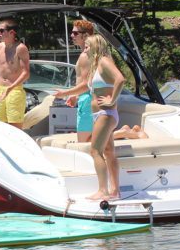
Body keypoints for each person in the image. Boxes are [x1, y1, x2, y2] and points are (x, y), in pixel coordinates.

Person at [84, 34, 126, 201]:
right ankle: (115, 190)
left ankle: (103, 191)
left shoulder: (104, 61)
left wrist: (112, 100)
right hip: (101, 114)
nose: (84, 49)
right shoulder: (97, 64)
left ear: (95, 46)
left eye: (87, 46)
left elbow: (120, 79)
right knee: (109, 152)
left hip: (105, 114)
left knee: (95, 151)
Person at [54, 19, 95, 143]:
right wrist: (75, 96)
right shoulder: (90, 53)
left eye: (76, 33)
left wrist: (65, 93)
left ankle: (124, 133)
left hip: (87, 101)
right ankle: (124, 132)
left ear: (86, 35)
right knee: (90, 140)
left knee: (84, 142)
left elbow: (86, 84)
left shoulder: (85, 55)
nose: (72, 35)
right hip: (87, 99)